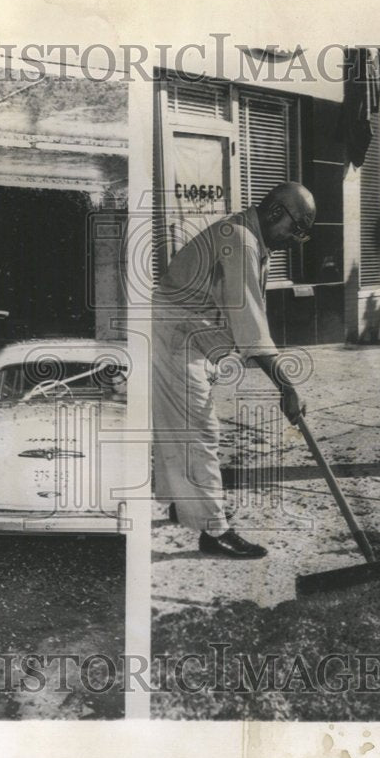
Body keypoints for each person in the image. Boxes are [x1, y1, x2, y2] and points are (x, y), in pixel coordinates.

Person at [152, 182, 315, 559]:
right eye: (297, 228)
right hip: (173, 337)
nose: (296, 239)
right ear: (276, 213)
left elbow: (244, 319)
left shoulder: (249, 236)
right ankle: (214, 530)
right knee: (197, 431)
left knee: (178, 428)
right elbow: (250, 325)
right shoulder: (241, 241)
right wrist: (286, 387)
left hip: (184, 336)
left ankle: (186, 502)